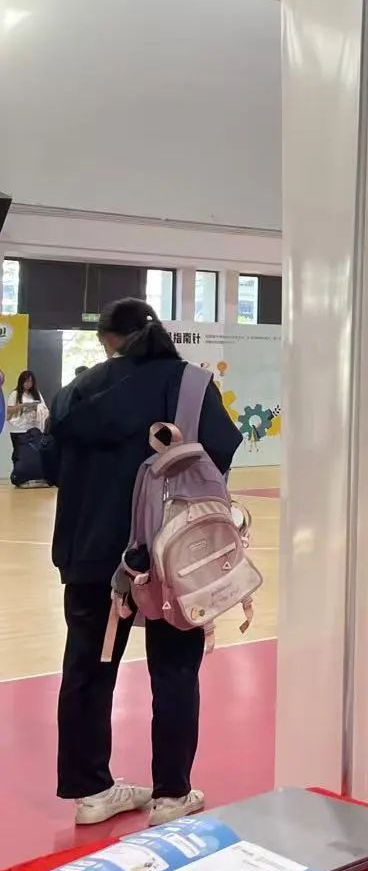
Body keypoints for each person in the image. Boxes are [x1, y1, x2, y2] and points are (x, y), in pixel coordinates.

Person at [41, 299, 241, 827]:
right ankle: (171, 795)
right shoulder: (190, 385)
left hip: (89, 553)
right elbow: (220, 451)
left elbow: (51, 465)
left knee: (87, 668)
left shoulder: (76, 393)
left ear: (106, 339)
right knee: (174, 668)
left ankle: (91, 793)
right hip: (167, 554)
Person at [8, 369, 50, 488]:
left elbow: (44, 408)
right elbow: (9, 410)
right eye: (26, 381)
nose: (28, 384)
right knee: (18, 453)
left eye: (30, 381)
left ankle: (31, 476)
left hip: (33, 428)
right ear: (21, 382)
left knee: (33, 453)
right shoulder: (15, 394)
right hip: (18, 429)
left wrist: (37, 407)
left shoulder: (36, 394)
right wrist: (23, 405)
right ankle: (18, 476)